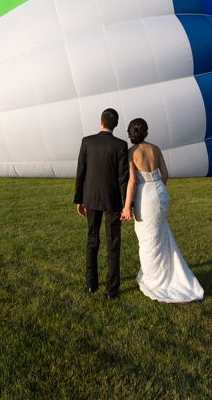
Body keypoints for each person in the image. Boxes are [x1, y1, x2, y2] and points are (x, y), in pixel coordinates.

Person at [120, 118, 204, 303]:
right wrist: (158, 188)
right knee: (160, 234)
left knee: (148, 238)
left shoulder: (131, 153)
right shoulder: (156, 149)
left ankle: (154, 279)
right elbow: (164, 174)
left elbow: (132, 181)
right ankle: (165, 271)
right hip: (159, 190)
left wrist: (127, 206)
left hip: (145, 195)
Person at [74, 108, 129, 299]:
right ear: (115, 124)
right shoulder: (121, 145)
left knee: (92, 240)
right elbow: (123, 177)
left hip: (90, 198)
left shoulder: (87, 142)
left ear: (100, 122)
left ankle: (91, 283)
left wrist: (79, 199)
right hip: (112, 199)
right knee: (113, 244)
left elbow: (81, 171)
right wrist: (125, 204)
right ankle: (111, 291)